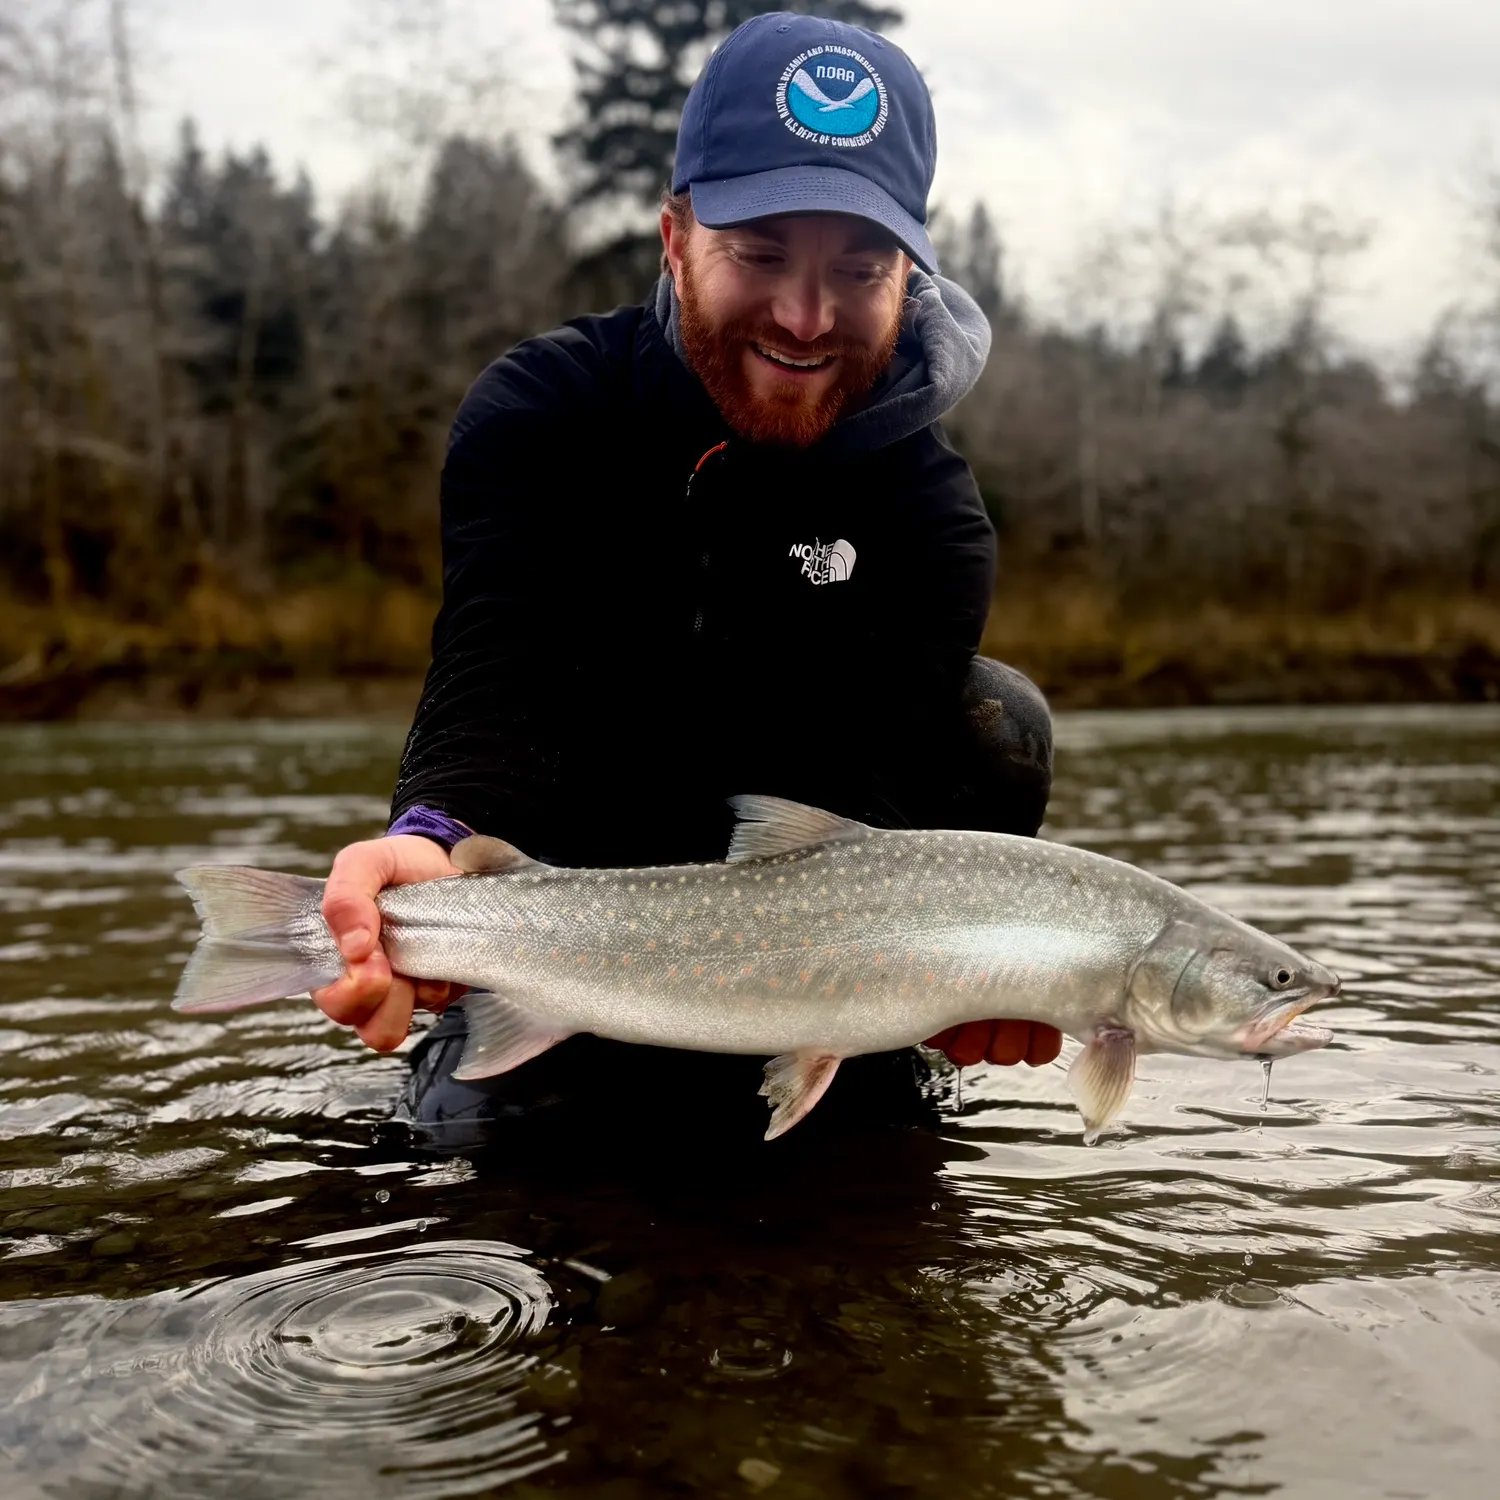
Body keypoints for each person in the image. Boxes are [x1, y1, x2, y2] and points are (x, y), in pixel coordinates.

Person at [311, 10, 1062, 1139]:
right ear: (675, 239)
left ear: (907, 274)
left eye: (858, 269)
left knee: (1001, 719)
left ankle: (867, 1041)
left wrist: (950, 975)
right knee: (474, 1184)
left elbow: (867, 789)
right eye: (760, 255)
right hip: (572, 909)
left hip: (804, 938)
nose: (805, 317)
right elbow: (495, 676)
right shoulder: (547, 411)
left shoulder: (931, 513)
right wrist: (431, 835)